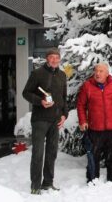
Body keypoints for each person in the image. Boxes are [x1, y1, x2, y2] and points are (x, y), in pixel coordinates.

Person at [22, 48, 68, 195]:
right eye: (51, 57)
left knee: (52, 153)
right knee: (38, 153)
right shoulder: (38, 74)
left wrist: (64, 114)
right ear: (47, 59)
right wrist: (40, 101)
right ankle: (35, 185)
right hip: (40, 120)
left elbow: (63, 97)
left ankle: (47, 183)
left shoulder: (62, 75)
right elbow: (26, 93)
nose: (54, 60)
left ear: (59, 59)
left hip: (55, 120)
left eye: (57, 57)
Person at [77, 63, 112, 182]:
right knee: (93, 155)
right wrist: (83, 121)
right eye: (96, 71)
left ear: (107, 73)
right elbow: (81, 105)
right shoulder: (87, 86)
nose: (98, 73)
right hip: (95, 128)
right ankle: (92, 179)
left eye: (101, 71)